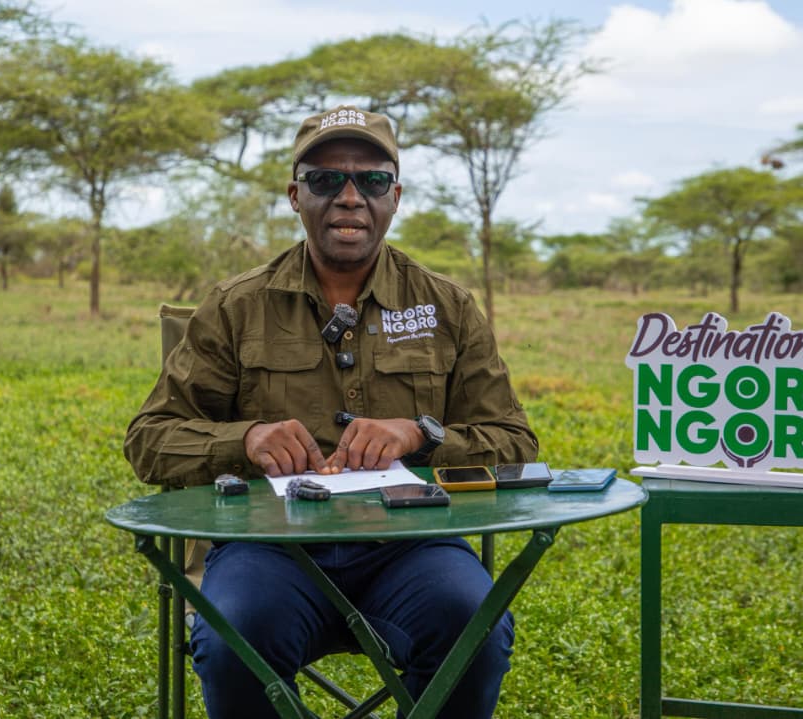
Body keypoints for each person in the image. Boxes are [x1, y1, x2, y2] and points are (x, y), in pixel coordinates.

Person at [124, 105, 538, 719]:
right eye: (325, 180)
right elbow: (149, 439)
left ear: (395, 196)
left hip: (413, 544)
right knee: (233, 634)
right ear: (295, 195)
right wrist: (248, 439)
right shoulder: (237, 306)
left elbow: (514, 442)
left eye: (371, 181)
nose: (349, 197)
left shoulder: (447, 306)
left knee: (473, 625)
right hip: (270, 547)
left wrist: (419, 435)